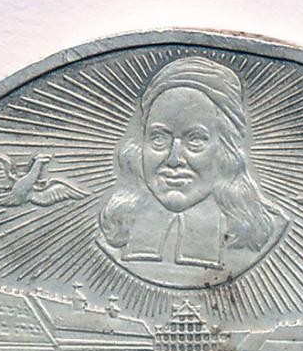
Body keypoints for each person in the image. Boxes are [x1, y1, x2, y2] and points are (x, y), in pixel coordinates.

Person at [98, 56, 287, 285]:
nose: (174, 159)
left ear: (225, 149)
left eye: (195, 140)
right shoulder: (114, 229)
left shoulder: (263, 232)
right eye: (158, 139)